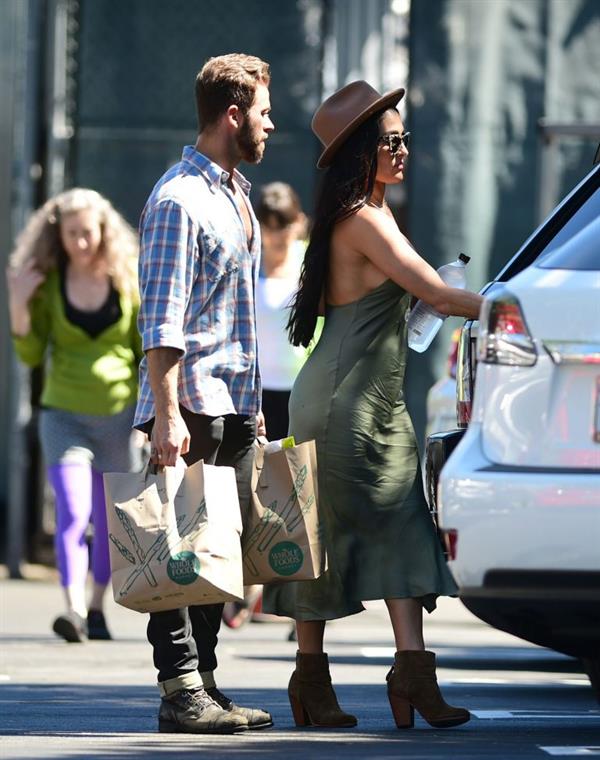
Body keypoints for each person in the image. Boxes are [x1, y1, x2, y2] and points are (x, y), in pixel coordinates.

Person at [263, 81, 483, 730]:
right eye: (391, 140)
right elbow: (439, 298)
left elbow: (421, 298)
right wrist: (512, 307)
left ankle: (404, 675)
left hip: (371, 402)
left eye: (405, 137)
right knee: (340, 536)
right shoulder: (360, 218)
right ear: (362, 150)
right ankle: (329, 681)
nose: (403, 149)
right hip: (344, 405)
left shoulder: (370, 214)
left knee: (397, 527)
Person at [134, 53, 274, 735]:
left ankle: (209, 684)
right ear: (232, 114)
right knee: (178, 552)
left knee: (220, 554)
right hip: (189, 405)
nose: (270, 125)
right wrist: (165, 417)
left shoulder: (235, 193)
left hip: (233, 403)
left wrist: (254, 413)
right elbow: (161, 318)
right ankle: (179, 689)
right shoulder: (178, 200)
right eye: (264, 113)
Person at [7, 187, 142, 643]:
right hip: (63, 415)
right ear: (58, 237)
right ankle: (73, 609)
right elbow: (28, 354)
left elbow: (144, 352)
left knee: (108, 524)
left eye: (88, 233)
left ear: (104, 232)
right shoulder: (47, 285)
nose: (81, 243)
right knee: (72, 512)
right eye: (71, 234)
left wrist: (149, 418)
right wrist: (19, 305)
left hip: (119, 419)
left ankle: (98, 603)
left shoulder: (127, 280)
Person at [221, 182, 307, 631]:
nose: (276, 237)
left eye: (284, 226)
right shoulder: (246, 260)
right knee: (251, 495)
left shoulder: (309, 264)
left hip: (298, 392)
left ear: (298, 224)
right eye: (268, 227)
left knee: (294, 497)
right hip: (254, 394)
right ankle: (249, 588)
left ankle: (298, 598)